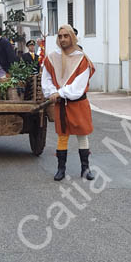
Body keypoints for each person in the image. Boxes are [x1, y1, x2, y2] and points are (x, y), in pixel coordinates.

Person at [41, 24, 96, 181]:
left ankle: (85, 169)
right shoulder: (52, 58)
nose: (63, 39)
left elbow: (79, 84)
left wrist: (61, 92)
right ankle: (61, 169)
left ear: (72, 37)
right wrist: (51, 92)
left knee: (82, 134)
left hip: (78, 103)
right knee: (62, 136)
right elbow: (46, 79)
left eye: (66, 35)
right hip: (61, 104)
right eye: (60, 36)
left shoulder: (82, 59)